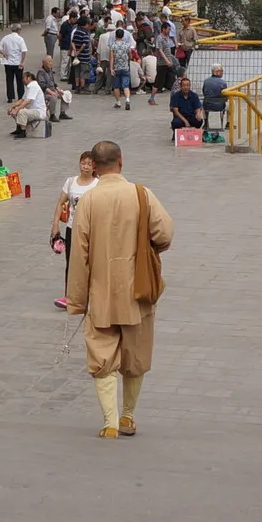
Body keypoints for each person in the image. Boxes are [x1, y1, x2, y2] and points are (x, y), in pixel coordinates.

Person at [65, 140, 173, 439]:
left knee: (102, 355)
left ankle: (110, 422)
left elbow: (79, 254)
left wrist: (77, 299)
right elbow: (164, 232)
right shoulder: (141, 194)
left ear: (95, 167)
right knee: (135, 354)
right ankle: (128, 415)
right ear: (121, 161)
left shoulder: (87, 200)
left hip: (101, 290)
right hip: (138, 289)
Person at [51, 150, 99, 310]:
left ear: (95, 167)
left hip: (91, 229)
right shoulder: (71, 182)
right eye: (83, 163)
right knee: (71, 262)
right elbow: (60, 203)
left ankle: (92, 296)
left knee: (91, 262)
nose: (85, 167)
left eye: (89, 164)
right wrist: (55, 224)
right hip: (72, 227)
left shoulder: (98, 184)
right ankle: (70, 296)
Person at [7, 71, 50, 139]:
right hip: (32, 110)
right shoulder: (29, 87)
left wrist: (17, 109)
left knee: (21, 111)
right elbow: (22, 100)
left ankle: (23, 132)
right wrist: (12, 107)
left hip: (39, 111)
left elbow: (27, 101)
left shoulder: (33, 86)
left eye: (23, 78)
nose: (22, 80)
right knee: (16, 109)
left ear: (29, 78)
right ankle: (19, 127)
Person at [107, 26, 136, 111]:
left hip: (116, 68)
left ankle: (118, 102)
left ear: (115, 36)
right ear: (123, 36)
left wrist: (111, 68)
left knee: (116, 86)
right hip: (125, 67)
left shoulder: (113, 45)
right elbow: (130, 56)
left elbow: (111, 58)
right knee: (125, 85)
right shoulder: (127, 45)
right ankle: (127, 99)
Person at [35, 55, 70, 126]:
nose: (51, 63)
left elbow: (53, 82)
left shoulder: (50, 70)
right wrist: (51, 92)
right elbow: (42, 85)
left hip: (52, 89)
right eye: (49, 61)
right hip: (44, 92)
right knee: (53, 97)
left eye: (51, 61)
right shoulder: (41, 72)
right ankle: (52, 115)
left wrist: (58, 88)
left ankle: (62, 113)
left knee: (65, 94)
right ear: (44, 63)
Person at [0, 24, 28, 102]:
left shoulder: (6, 38)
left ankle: (10, 97)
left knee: (9, 80)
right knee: (19, 81)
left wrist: (4, 53)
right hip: (17, 63)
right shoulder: (20, 39)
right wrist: (22, 62)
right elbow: (24, 52)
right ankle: (20, 97)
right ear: (19, 30)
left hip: (8, 63)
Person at [200, 65, 228, 135]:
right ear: (216, 72)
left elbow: (204, 92)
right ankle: (228, 123)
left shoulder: (206, 81)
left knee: (203, 103)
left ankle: (206, 122)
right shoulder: (223, 82)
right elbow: (225, 95)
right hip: (220, 106)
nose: (222, 72)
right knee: (232, 103)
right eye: (221, 71)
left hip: (208, 105)